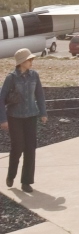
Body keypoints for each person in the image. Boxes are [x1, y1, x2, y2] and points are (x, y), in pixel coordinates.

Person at [0, 48, 48, 193]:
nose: (31, 61)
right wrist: (3, 120)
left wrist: (43, 113)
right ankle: (11, 175)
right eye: (29, 59)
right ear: (21, 62)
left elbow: (39, 95)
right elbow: (1, 99)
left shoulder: (34, 75)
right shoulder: (11, 78)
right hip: (14, 118)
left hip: (31, 116)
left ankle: (26, 182)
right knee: (17, 147)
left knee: (30, 149)